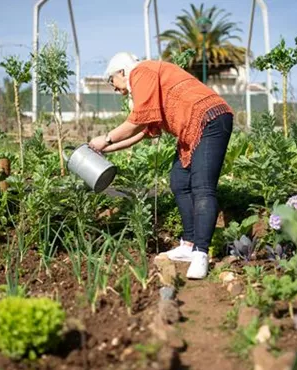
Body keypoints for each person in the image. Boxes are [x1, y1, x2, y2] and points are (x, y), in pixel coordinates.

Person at [88, 52, 233, 279]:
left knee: (203, 186)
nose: (114, 89)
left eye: (111, 81)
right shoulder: (147, 85)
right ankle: (188, 244)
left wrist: (106, 138)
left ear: (122, 72)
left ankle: (201, 253)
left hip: (210, 119)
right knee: (179, 181)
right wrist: (106, 148)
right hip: (193, 129)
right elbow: (144, 130)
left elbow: (135, 121)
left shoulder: (141, 71)